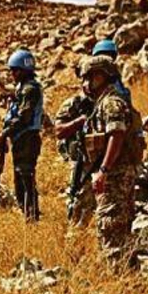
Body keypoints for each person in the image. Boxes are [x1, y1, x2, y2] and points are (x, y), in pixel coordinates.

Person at [83, 55, 141, 267]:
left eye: (92, 77)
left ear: (104, 76)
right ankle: (129, 275)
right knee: (119, 226)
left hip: (116, 174)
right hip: (115, 172)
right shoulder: (104, 102)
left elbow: (116, 135)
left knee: (111, 225)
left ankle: (119, 276)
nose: (86, 83)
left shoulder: (111, 103)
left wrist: (104, 170)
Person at [0, 49, 44, 222]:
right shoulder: (22, 88)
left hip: (27, 139)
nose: (12, 74)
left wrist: (4, 134)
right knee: (20, 182)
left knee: (25, 180)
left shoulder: (30, 89)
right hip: (20, 139)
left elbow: (24, 117)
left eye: (15, 71)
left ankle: (32, 218)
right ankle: (29, 217)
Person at [53, 79, 96, 225]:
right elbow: (59, 131)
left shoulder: (106, 101)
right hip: (81, 160)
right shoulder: (73, 104)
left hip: (102, 160)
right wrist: (80, 121)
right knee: (78, 200)